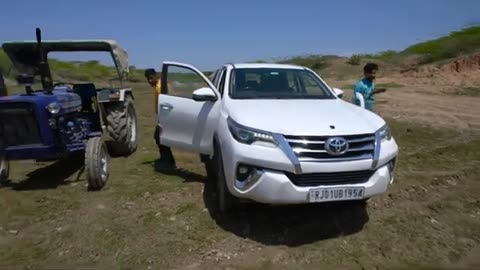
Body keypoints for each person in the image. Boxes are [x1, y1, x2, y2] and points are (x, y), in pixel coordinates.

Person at [144, 68, 176, 170]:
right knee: (159, 137)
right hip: (163, 116)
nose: (149, 81)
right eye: (147, 79)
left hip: (166, 117)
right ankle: (167, 159)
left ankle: (168, 161)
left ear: (155, 76)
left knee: (159, 137)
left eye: (150, 78)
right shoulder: (159, 85)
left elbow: (168, 102)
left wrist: (164, 119)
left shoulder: (161, 86)